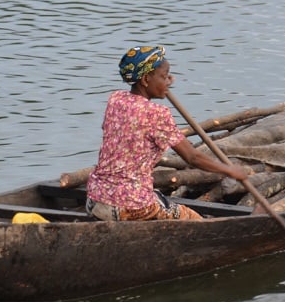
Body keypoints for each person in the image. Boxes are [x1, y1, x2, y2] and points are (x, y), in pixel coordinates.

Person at [84, 45, 247, 221]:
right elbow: (192, 157)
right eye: (163, 77)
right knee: (192, 219)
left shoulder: (116, 99)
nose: (169, 80)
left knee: (158, 197)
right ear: (146, 80)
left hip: (95, 198)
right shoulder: (156, 113)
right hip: (128, 206)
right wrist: (230, 171)